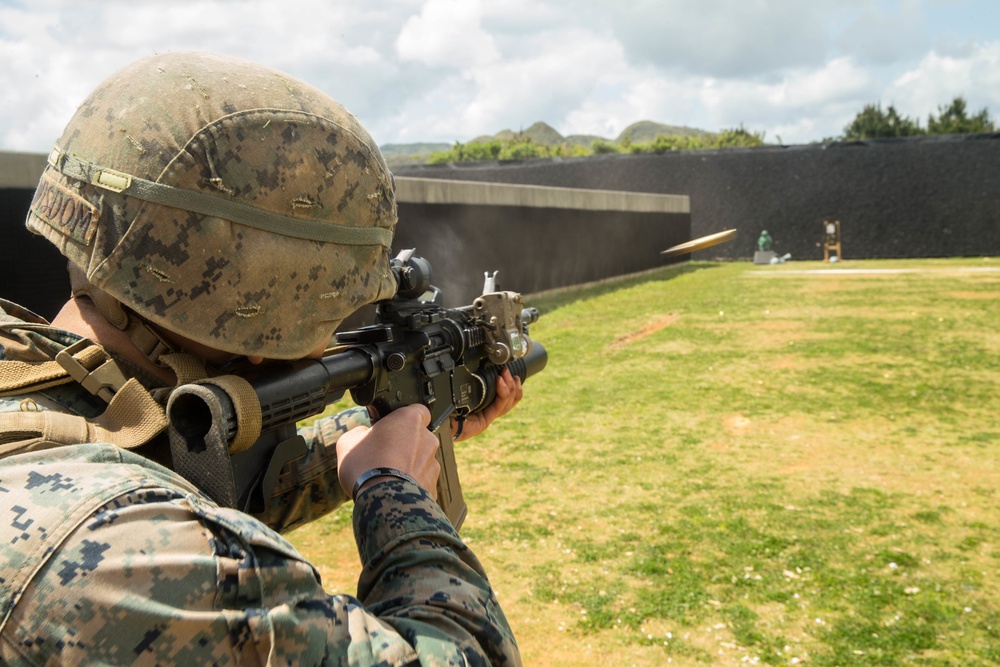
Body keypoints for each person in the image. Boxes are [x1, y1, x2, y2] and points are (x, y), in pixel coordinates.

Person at [0, 52, 523, 666]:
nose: (328, 339)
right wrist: (396, 492)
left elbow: (181, 465)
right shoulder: (129, 559)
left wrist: (372, 437)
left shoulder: (47, 401)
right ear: (262, 312)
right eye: (332, 315)